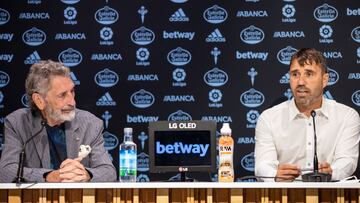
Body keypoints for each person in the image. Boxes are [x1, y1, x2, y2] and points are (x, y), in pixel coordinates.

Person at [0, 60, 117, 182]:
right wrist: (48, 176)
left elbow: (108, 172)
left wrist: (86, 175)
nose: (72, 102)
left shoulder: (90, 124)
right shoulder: (17, 123)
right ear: (39, 100)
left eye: (72, 91)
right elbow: (6, 171)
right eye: (62, 95)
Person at [254, 48, 360, 182]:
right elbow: (262, 165)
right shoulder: (268, 118)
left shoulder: (347, 116)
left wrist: (332, 172)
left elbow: (347, 161)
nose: (300, 82)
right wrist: (275, 174)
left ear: (325, 79)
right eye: (295, 74)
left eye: (309, 74)